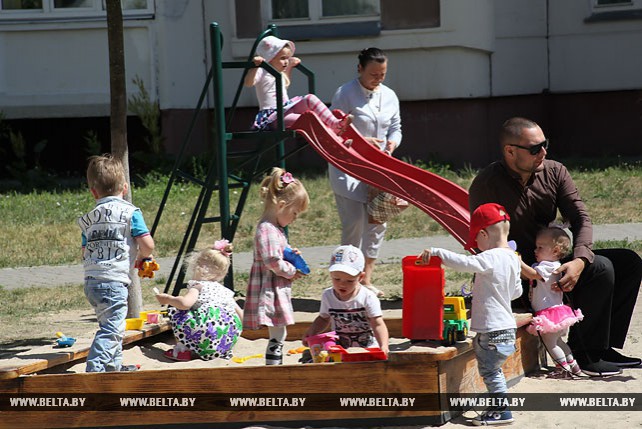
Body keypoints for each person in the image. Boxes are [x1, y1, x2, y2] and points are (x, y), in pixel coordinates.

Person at [469, 116, 642, 377]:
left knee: (628, 262)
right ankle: (585, 355)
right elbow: (487, 243)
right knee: (603, 268)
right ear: (510, 151)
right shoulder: (486, 183)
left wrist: (579, 260)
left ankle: (602, 348)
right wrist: (527, 269)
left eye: (545, 144)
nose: (544, 152)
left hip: (550, 261)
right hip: (519, 273)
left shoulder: (555, 171)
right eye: (535, 148)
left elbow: (581, 217)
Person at [419, 203, 522, 426]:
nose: (476, 246)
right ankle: (499, 409)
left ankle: (502, 412)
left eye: (476, 240)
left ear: (484, 234)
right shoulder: (513, 258)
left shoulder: (490, 257)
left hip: (493, 330)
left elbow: (466, 263)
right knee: (494, 370)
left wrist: (437, 252)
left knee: (490, 372)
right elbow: (516, 292)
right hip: (508, 328)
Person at [329, 47, 402, 298]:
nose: (378, 78)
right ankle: (345, 279)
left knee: (377, 223)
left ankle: (366, 279)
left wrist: (392, 142)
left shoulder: (390, 95)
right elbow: (334, 128)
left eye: (382, 74)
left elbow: (396, 127)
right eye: (373, 74)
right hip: (348, 168)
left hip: (379, 167)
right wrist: (360, 141)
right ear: (359, 69)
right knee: (354, 224)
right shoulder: (345, 93)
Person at [78, 154, 155, 372]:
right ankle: (95, 369)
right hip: (113, 282)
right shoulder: (131, 212)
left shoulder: (89, 218)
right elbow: (147, 244)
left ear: (93, 192)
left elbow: (85, 251)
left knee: (112, 325)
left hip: (92, 282)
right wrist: (142, 257)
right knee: (112, 328)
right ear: (125, 187)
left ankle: (114, 366)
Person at [242, 167, 310, 365]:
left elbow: (279, 253)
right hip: (270, 286)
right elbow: (272, 261)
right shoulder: (267, 229)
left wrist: (291, 254)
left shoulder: (275, 229)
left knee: (279, 328)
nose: (295, 219)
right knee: (278, 329)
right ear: (281, 205)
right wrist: (290, 271)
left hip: (275, 285)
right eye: (295, 213)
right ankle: (273, 365)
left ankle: (275, 362)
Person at [155, 240, 243, 361]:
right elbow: (242, 316)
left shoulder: (198, 285)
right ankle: (219, 350)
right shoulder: (225, 291)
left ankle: (183, 350)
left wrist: (168, 299)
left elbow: (185, 304)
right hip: (226, 339)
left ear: (199, 267)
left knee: (178, 311)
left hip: (206, 332)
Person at [244, 35, 352, 133]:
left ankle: (335, 123)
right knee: (308, 120)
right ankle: (335, 134)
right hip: (274, 117)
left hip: (286, 108)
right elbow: (248, 83)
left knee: (310, 98)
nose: (286, 61)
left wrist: (290, 67)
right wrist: (255, 66)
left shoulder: (280, 73)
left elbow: (285, 83)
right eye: (282, 58)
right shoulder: (263, 70)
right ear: (270, 59)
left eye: (287, 58)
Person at [304, 245, 389, 355]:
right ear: (330, 274)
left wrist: (384, 345)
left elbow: (377, 323)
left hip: (367, 346)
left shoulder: (367, 296)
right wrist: (311, 333)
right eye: (337, 279)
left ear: (361, 277)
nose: (342, 284)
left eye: (350, 281)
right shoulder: (328, 295)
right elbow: (324, 318)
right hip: (340, 347)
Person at [522, 227, 584, 377]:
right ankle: (574, 366)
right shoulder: (552, 265)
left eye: (540, 247)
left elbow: (532, 274)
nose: (535, 250)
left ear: (555, 251)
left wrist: (517, 261)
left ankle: (562, 368)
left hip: (548, 313)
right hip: (556, 312)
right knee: (560, 342)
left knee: (551, 343)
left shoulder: (548, 267)